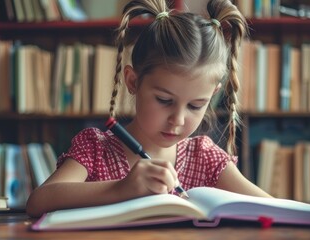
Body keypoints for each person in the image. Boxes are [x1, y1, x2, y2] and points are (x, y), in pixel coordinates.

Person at [26, 0, 271, 218]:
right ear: (133, 82)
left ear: (213, 96)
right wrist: (121, 188)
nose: (177, 120)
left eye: (196, 105)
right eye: (164, 100)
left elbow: (272, 207)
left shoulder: (205, 157)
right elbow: (38, 202)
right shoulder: (95, 148)